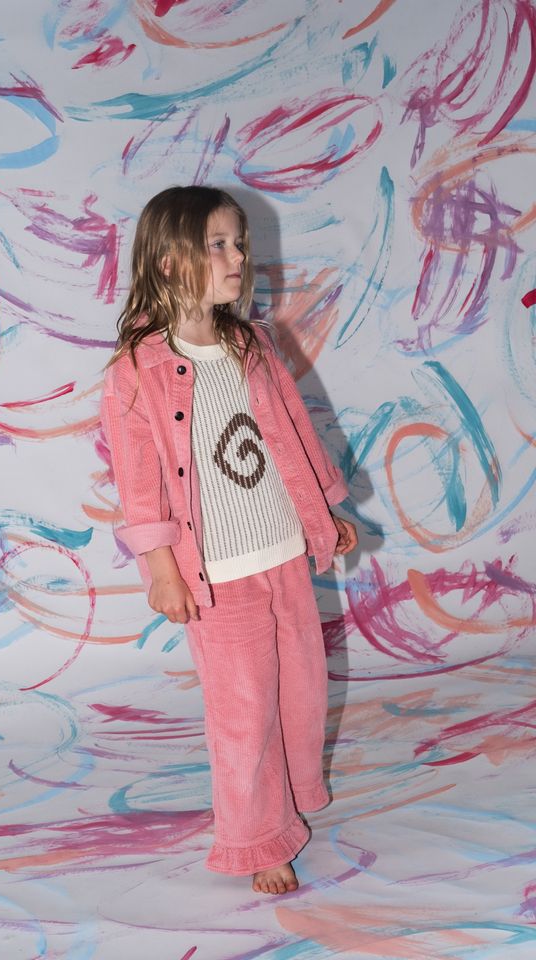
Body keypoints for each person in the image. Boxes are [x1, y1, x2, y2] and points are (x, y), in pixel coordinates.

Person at [100, 185, 357, 895]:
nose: (237, 256)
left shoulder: (253, 344)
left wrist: (325, 510)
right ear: (168, 260)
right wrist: (162, 570)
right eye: (217, 244)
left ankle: (291, 797)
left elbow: (295, 432)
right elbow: (139, 484)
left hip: (284, 553)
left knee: (300, 691)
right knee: (245, 711)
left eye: (238, 243)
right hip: (216, 575)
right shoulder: (137, 370)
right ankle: (258, 837)